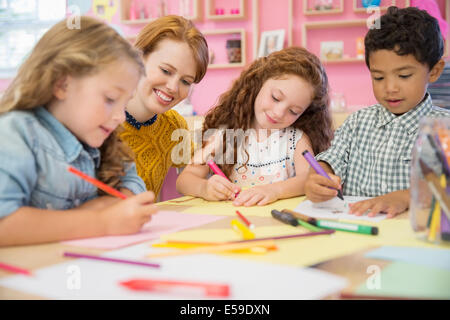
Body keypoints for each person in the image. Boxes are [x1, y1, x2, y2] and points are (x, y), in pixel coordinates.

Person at [0, 16, 157, 246]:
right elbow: (4, 223)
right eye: (110, 99)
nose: (120, 116)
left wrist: (113, 204)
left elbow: (132, 180)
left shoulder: (96, 135)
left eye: (124, 103)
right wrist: (101, 222)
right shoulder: (16, 133)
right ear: (62, 85)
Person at [304, 6, 450, 218]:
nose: (390, 87)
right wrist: (319, 176)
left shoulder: (444, 128)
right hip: (356, 231)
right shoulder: (357, 122)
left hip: (411, 239)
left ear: (434, 71)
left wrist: (407, 197)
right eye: (378, 78)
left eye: (404, 75)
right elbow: (331, 159)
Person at [176, 47, 334, 206]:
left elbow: (309, 179)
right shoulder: (226, 136)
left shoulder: (296, 140)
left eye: (293, 111)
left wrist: (274, 191)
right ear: (259, 83)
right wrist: (204, 188)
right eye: (276, 98)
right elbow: (185, 180)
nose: (279, 113)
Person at [119, 15, 209, 198]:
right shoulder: (99, 121)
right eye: (166, 71)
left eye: (185, 81)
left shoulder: (172, 127)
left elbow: (200, 162)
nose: (173, 87)